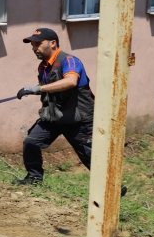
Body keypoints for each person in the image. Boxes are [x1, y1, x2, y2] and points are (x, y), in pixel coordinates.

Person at [15, 28, 128, 196]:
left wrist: (37, 89)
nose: (34, 48)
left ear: (53, 43)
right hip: (54, 116)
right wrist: (37, 91)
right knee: (31, 141)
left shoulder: (70, 61)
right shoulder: (43, 67)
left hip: (78, 119)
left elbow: (71, 81)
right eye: (32, 45)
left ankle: (113, 188)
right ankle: (34, 178)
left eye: (38, 44)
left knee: (89, 155)